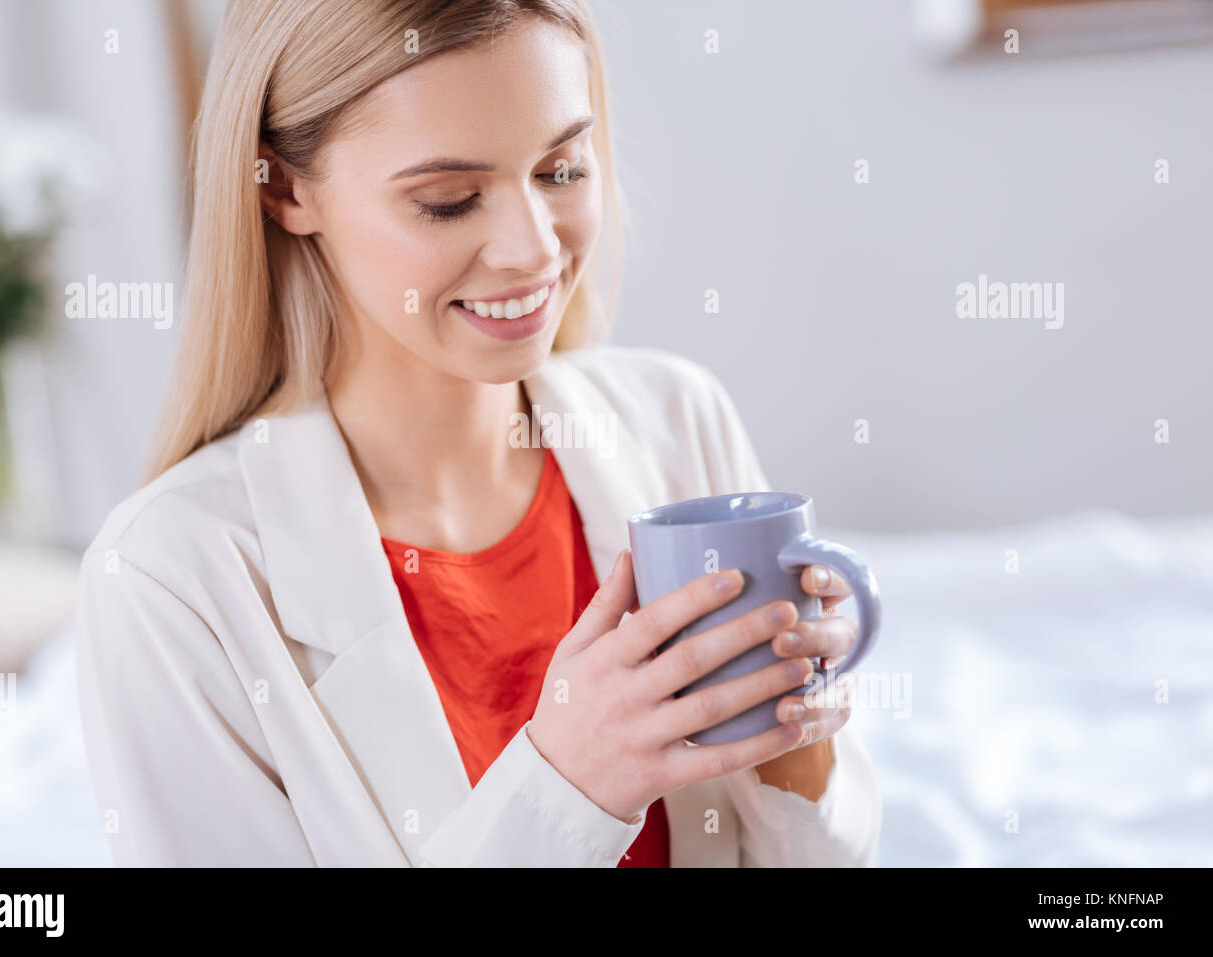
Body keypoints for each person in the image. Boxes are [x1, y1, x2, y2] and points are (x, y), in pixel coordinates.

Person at [75, 0, 883, 866]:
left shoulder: (678, 418)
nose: (532, 249)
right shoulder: (168, 580)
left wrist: (797, 729)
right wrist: (568, 785)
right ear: (285, 188)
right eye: (450, 201)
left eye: (562, 169)